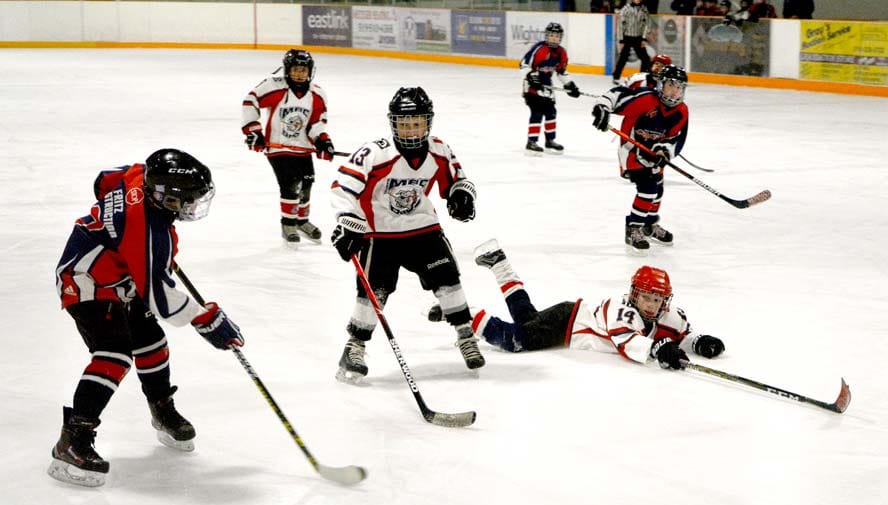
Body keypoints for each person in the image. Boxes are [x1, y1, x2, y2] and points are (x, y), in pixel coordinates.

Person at [49, 149, 245, 487]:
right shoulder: (147, 232)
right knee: (114, 353)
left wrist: (119, 237)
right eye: (185, 200)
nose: (191, 207)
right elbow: (161, 299)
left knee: (150, 341)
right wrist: (207, 320)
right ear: (164, 196)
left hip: (120, 277)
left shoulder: (139, 175)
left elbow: (105, 179)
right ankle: (72, 440)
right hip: (85, 281)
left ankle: (161, 408)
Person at [330, 87, 484, 383]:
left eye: (417, 123)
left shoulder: (439, 150)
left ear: (428, 122)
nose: (411, 131)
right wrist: (348, 221)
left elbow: (458, 180)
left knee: (448, 279)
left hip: (423, 230)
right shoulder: (376, 152)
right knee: (374, 293)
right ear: (393, 124)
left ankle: (465, 335)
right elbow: (343, 185)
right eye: (404, 123)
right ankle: (355, 347)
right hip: (380, 235)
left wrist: (461, 195)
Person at [429, 240, 725, 368]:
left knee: (526, 317)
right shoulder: (620, 308)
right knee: (516, 339)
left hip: (567, 317)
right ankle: (459, 312)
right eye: (646, 297)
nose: (651, 304)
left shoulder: (670, 315)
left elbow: (681, 335)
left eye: (657, 299)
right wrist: (656, 350)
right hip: (566, 323)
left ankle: (499, 264)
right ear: (634, 294)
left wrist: (699, 343)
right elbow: (626, 343)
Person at [591, 65, 689, 254]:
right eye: (671, 85)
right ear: (661, 85)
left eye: (679, 87)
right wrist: (602, 109)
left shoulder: (682, 111)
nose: (675, 91)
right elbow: (617, 94)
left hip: (654, 156)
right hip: (632, 152)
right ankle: (634, 228)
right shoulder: (645, 99)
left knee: (658, 188)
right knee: (648, 189)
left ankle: (649, 225)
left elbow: (677, 139)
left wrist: (665, 152)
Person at [242, 49, 335, 244]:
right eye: (295, 69)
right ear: (287, 70)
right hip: (278, 147)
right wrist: (254, 131)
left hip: (301, 147)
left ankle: (302, 221)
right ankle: (288, 223)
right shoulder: (274, 87)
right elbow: (250, 101)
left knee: (307, 181)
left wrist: (322, 141)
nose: (299, 74)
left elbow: (315, 124)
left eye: (303, 70)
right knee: (291, 182)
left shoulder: (317, 94)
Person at [520, 22, 581, 154]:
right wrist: (532, 76)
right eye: (551, 35)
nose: (554, 38)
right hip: (531, 87)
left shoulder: (561, 52)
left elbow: (561, 72)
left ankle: (550, 141)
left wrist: (570, 85)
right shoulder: (539, 49)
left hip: (547, 87)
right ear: (547, 36)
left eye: (557, 36)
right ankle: (532, 142)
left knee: (551, 112)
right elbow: (524, 65)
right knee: (537, 112)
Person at [611, 0, 652, 84]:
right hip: (627, 38)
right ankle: (616, 77)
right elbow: (620, 25)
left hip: (638, 38)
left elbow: (647, 24)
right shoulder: (626, 9)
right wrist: (621, 40)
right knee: (623, 58)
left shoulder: (644, 9)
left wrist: (644, 38)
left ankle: (641, 77)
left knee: (645, 59)